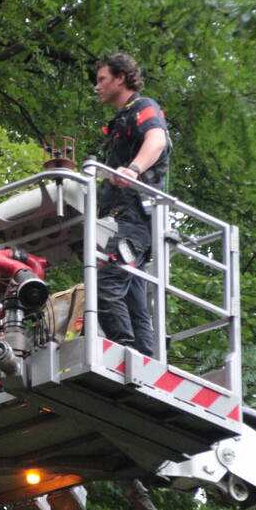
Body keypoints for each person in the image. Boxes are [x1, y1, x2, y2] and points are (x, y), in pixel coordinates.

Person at [92, 53, 171, 356]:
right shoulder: (120, 120)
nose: (97, 87)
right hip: (124, 219)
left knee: (106, 280)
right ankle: (145, 360)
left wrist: (133, 170)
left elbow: (157, 139)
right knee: (134, 299)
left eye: (102, 80)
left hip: (135, 217)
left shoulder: (143, 107)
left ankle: (124, 353)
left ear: (120, 78)